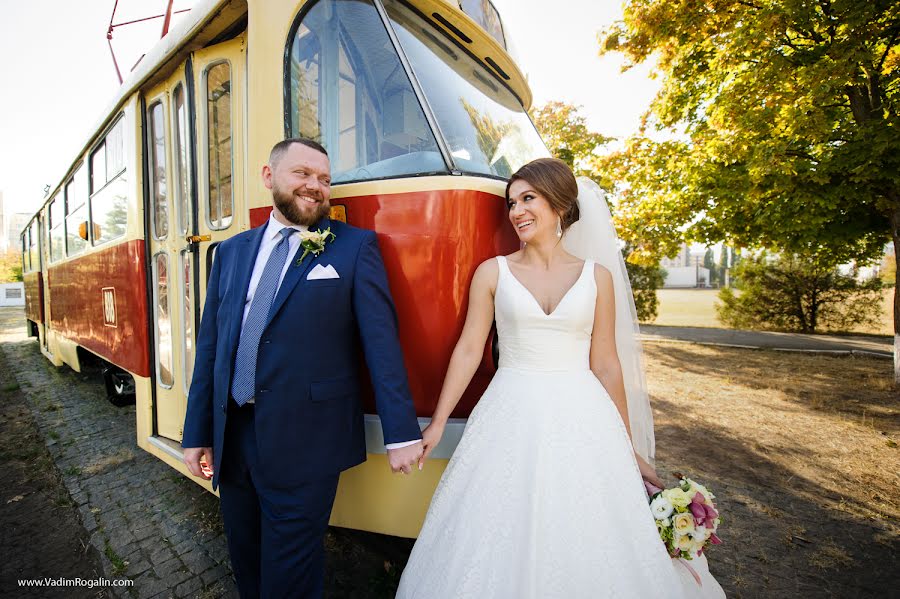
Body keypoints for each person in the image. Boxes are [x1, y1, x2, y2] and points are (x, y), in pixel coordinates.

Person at [396, 158, 725, 598]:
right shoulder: (492, 272)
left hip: (583, 413)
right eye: (512, 203)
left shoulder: (598, 278)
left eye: (528, 198)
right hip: (509, 413)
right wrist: (437, 422)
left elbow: (606, 362)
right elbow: (471, 348)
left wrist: (626, 447)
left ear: (559, 204)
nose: (516, 212)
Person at [181, 138, 424, 599]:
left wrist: (401, 432)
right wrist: (197, 432)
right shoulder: (229, 253)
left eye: (324, 179)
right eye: (303, 174)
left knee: (290, 577)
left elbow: (381, 346)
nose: (315, 187)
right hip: (233, 439)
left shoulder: (355, 248)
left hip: (307, 439)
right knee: (245, 561)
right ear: (269, 177)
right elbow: (211, 347)